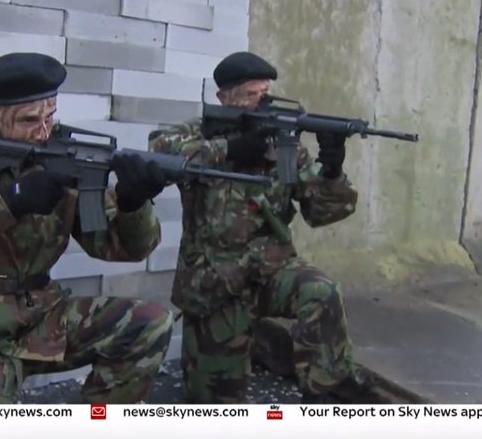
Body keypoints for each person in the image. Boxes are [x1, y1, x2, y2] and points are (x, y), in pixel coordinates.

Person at [0, 52, 174, 404]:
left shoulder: (62, 148)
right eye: (29, 120)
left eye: (50, 116)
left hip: (38, 314)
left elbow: (120, 248)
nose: (43, 132)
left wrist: (132, 203)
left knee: (149, 322)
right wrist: (8, 202)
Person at [148, 51, 365, 404]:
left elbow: (321, 212)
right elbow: (160, 153)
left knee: (322, 292)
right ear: (224, 98)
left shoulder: (283, 144)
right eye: (250, 96)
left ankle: (327, 394)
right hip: (213, 282)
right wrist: (230, 148)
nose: (261, 103)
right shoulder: (199, 131)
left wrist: (332, 171)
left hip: (270, 271)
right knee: (214, 401)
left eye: (264, 94)